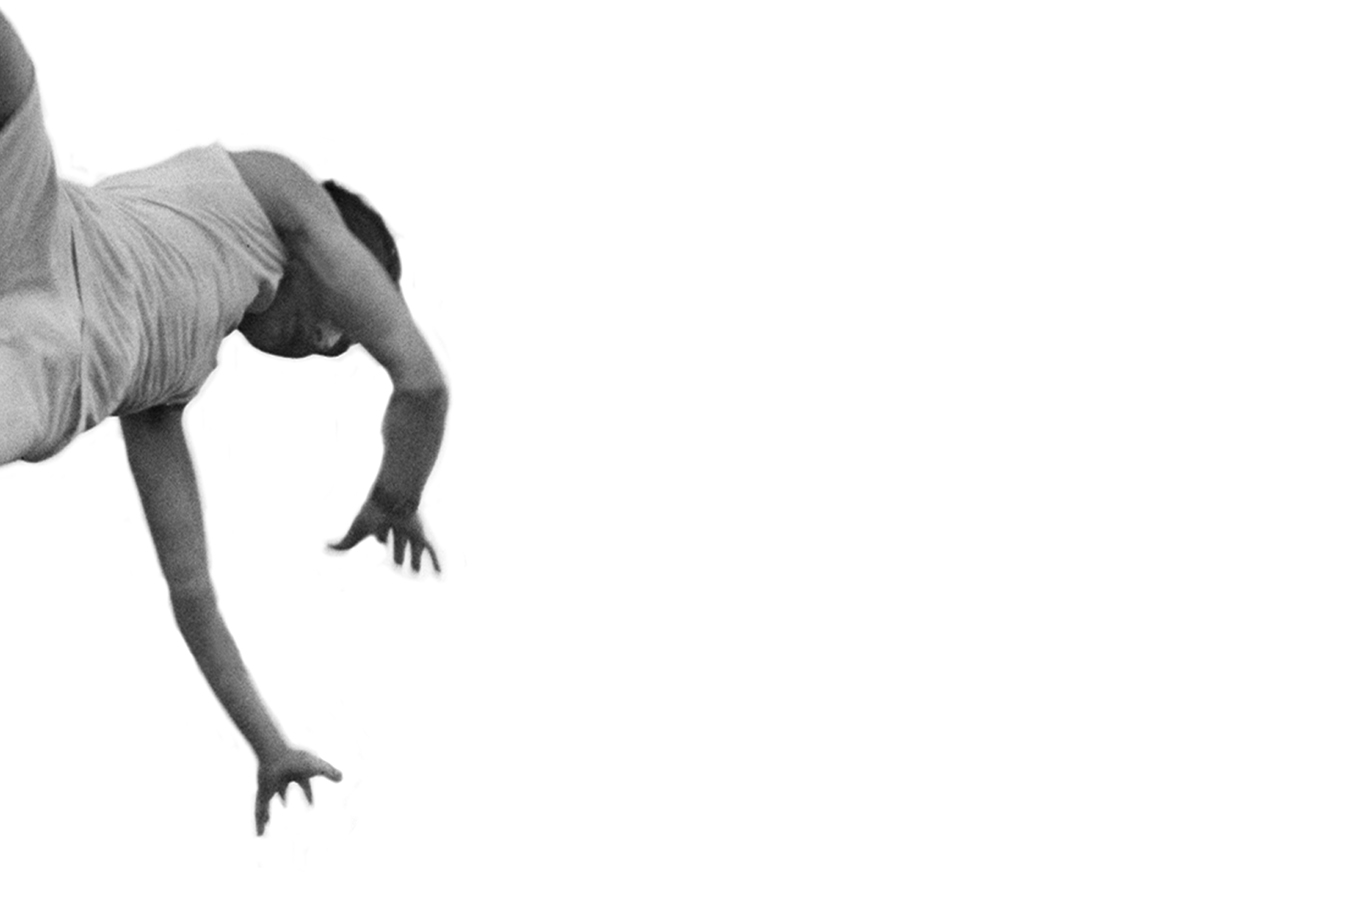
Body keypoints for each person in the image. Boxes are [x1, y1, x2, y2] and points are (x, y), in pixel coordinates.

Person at [0, 13, 448, 835]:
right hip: (45, 225)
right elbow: (422, 382)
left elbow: (194, 596)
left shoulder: (172, 378)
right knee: (11, 79)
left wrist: (269, 744)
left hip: (58, 359)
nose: (328, 343)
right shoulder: (275, 190)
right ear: (339, 257)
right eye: (343, 323)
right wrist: (398, 493)